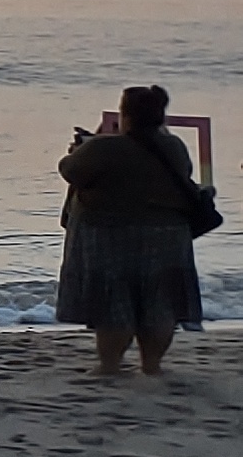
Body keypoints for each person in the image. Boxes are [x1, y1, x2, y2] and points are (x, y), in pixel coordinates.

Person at [57, 85, 212, 375]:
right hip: (168, 235)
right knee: (160, 305)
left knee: (114, 306)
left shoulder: (103, 147)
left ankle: (109, 365)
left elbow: (70, 170)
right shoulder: (173, 146)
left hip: (111, 235)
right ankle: (151, 365)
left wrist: (78, 150)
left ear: (125, 115)